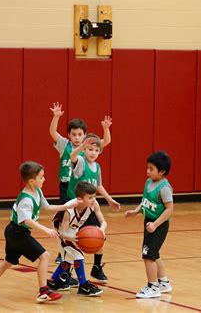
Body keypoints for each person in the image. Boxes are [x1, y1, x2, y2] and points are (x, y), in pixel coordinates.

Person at [0, 161, 78, 303]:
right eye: (41, 177)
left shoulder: (37, 191)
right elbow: (26, 220)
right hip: (18, 232)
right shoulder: (26, 199)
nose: (44, 179)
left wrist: (67, 206)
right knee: (45, 256)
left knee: (8, 261)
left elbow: (47, 207)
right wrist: (46, 229)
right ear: (32, 181)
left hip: (14, 231)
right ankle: (44, 291)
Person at [49, 102, 111, 265]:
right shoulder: (64, 144)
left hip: (83, 189)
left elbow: (104, 142)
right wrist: (56, 117)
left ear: (84, 136)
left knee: (80, 220)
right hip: (67, 186)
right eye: (74, 134)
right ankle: (62, 250)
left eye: (80, 134)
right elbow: (52, 132)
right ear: (69, 135)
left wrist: (106, 128)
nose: (77, 137)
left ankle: (90, 260)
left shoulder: (88, 149)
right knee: (67, 219)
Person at [67, 133, 120, 282]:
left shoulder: (97, 167)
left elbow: (98, 185)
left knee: (98, 235)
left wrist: (109, 199)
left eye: (96, 150)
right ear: (84, 149)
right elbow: (72, 156)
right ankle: (67, 271)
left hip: (90, 207)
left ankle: (96, 268)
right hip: (75, 208)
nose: (93, 153)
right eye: (90, 149)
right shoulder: (80, 162)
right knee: (73, 241)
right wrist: (81, 147)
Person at [124, 151, 174, 298]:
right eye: (147, 168)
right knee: (154, 253)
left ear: (162, 171)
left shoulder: (164, 188)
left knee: (148, 255)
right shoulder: (148, 182)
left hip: (159, 225)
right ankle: (164, 283)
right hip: (149, 222)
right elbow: (145, 201)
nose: (148, 172)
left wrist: (156, 224)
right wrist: (135, 211)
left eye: (151, 169)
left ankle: (153, 286)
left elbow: (170, 209)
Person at [48, 181, 104, 296]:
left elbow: (103, 221)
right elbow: (62, 232)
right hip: (60, 231)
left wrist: (101, 231)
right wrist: (73, 238)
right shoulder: (69, 211)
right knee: (78, 254)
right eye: (90, 197)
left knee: (68, 259)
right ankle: (83, 286)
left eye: (94, 196)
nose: (93, 199)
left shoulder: (94, 204)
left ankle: (53, 281)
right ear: (80, 199)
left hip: (73, 230)